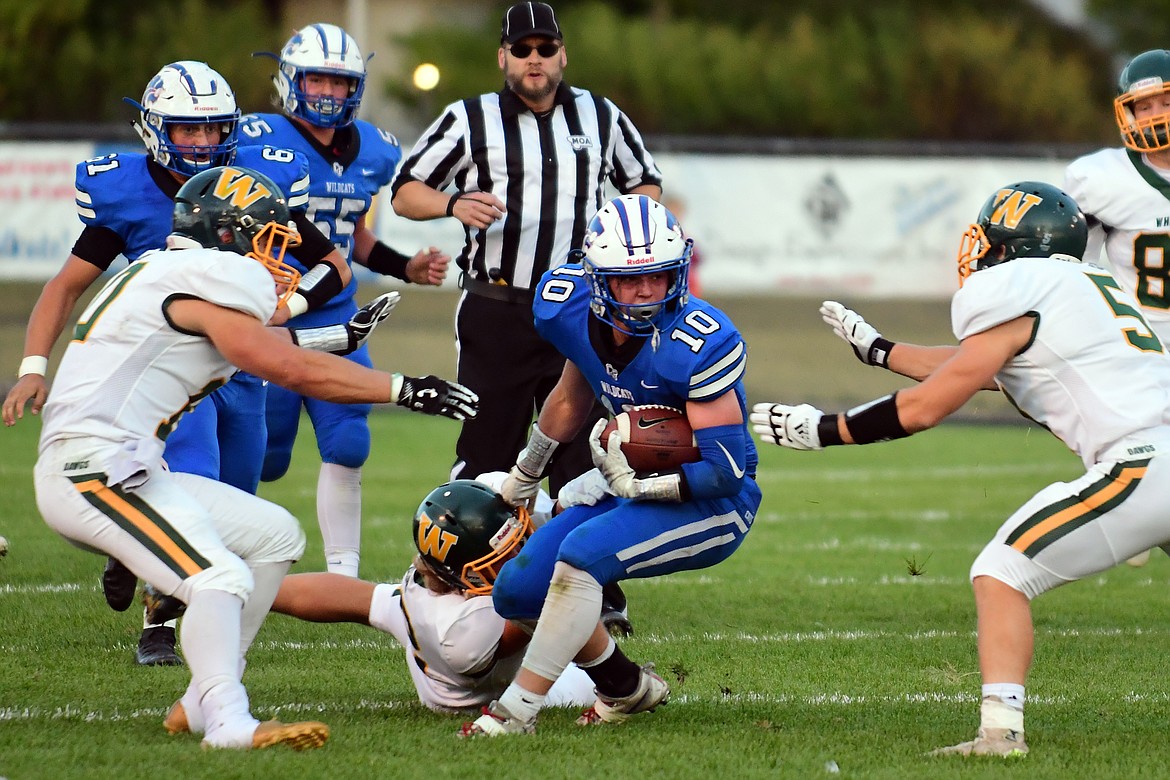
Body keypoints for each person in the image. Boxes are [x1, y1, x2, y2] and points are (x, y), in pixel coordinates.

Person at [31, 165, 476, 750]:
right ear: (225, 234)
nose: (279, 257)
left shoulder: (174, 271)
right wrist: (403, 388)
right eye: (268, 239)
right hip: (91, 470)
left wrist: (341, 336)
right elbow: (280, 366)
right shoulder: (205, 275)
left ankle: (199, 700)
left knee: (275, 536)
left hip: (125, 466)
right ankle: (227, 720)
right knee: (220, 576)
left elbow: (255, 348)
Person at [750, 181, 1170, 758]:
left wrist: (824, 429)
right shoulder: (1087, 286)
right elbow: (980, 367)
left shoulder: (1017, 289)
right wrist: (880, 349)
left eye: (991, 241)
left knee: (1001, 572)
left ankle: (1000, 733)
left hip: (1142, 464)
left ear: (1011, 249)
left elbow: (930, 406)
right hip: (1159, 453)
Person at [1, 60, 358, 667]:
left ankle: (137, 556)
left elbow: (337, 266)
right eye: (187, 130)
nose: (201, 142)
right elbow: (64, 287)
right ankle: (158, 623)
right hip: (165, 374)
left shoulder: (256, 185)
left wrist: (284, 308)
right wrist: (34, 363)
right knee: (195, 470)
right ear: (154, 129)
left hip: (239, 368)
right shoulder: (127, 194)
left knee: (238, 496)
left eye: (214, 130)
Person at [458, 194, 761, 737]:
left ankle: (516, 711)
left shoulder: (699, 340)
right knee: (516, 593)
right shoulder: (567, 305)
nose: (647, 292)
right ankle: (626, 688)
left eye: (660, 276)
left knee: (579, 557)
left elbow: (726, 470)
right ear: (599, 280)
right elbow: (573, 395)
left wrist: (632, 482)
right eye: (629, 280)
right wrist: (527, 474)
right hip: (632, 479)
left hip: (712, 500)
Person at [390, 1, 663, 499]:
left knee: (584, 456)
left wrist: (619, 228)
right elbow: (405, 193)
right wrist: (453, 203)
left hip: (581, 309)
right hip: (499, 309)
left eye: (545, 48)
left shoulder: (600, 115)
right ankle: (462, 572)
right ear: (503, 57)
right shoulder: (469, 118)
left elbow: (644, 183)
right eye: (522, 49)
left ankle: (576, 573)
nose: (533, 58)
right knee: (487, 452)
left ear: (563, 56)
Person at [242, 22, 450, 579]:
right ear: (290, 80)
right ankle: (221, 551)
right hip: (270, 311)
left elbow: (351, 236)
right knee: (265, 455)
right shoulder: (254, 137)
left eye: (339, 82)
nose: (328, 93)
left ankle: (343, 578)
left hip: (336, 312)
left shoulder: (377, 151)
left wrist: (404, 266)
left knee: (350, 439)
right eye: (317, 80)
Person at [188, 472, 608, 725]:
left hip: (437, 613)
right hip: (474, 685)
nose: (519, 549)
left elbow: (352, 597)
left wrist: (241, 589)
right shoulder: (465, 632)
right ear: (464, 576)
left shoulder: (431, 581)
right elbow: (551, 611)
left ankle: (233, 586)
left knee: (367, 600)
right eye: (504, 552)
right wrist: (568, 516)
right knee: (572, 610)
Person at [1063, 48, 1170, 568]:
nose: (1153, 115)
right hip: (1141, 350)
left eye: (1164, 101)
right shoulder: (1103, 178)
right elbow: (1065, 262)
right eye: (1142, 106)